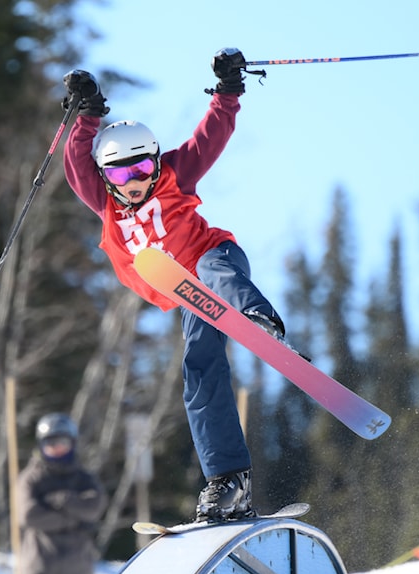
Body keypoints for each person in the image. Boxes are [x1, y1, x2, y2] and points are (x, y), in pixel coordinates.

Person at [62, 49, 285, 522]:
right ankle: (229, 482)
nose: (135, 180)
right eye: (122, 174)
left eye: (142, 168)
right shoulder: (103, 202)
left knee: (212, 271)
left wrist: (228, 90)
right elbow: (77, 160)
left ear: (155, 163)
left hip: (215, 260)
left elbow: (211, 137)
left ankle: (256, 317)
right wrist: (88, 113)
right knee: (199, 372)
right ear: (107, 177)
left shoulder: (174, 175)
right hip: (188, 297)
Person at [16, 413, 106, 574]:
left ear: (72, 443)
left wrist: (62, 500)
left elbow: (94, 507)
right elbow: (29, 515)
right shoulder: (31, 478)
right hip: (40, 570)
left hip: (79, 571)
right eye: (51, 443)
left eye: (62, 442)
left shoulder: (83, 477)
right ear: (41, 445)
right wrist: (73, 519)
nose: (57, 447)